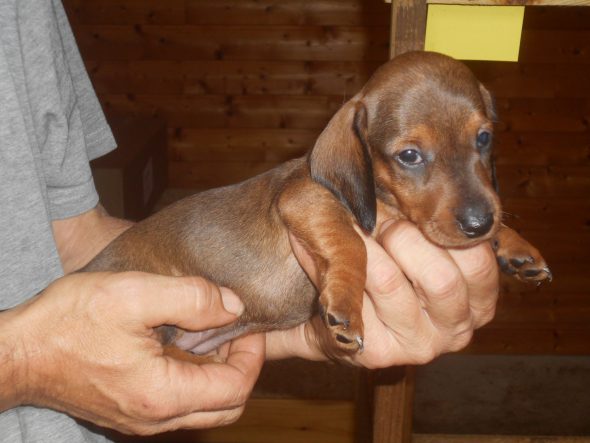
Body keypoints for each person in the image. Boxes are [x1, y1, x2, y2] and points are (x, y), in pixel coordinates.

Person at [0, 1, 500, 442]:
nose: (476, 201)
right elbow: (305, 203)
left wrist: (304, 334)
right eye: (412, 155)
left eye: (481, 141)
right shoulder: (324, 179)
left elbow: (72, 235)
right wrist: (28, 361)